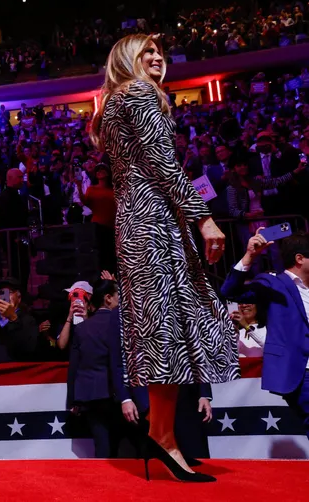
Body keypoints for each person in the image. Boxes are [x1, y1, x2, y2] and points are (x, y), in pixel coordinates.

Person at [90, 34, 236, 483]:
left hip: (138, 221)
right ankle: (163, 437)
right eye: (146, 52)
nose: (157, 58)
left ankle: (163, 436)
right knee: (167, 326)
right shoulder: (136, 92)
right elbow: (164, 163)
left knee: (162, 329)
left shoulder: (112, 102)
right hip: (154, 222)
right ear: (126, 60)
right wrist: (204, 219)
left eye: (159, 53)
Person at [221, 231, 309, 441]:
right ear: (299, 259)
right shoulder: (273, 283)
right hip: (302, 370)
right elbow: (229, 291)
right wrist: (250, 256)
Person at [66, 279, 133, 458]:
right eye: (119, 295)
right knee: (129, 446)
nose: (122, 300)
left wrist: (72, 400)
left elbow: (75, 365)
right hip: (123, 394)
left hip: (92, 395)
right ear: (108, 298)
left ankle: (104, 482)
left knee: (102, 445)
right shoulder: (124, 324)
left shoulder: (82, 329)